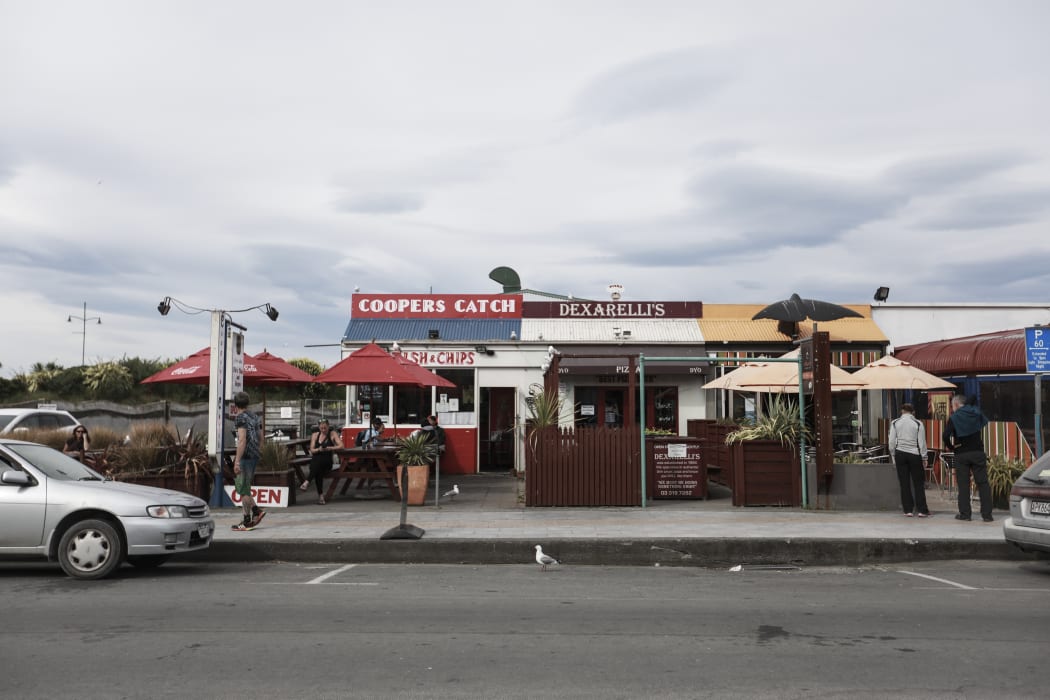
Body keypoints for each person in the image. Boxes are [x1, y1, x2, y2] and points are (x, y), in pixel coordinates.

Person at [942, 394, 993, 522]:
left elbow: (945, 435)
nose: (952, 409)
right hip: (977, 452)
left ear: (956, 405)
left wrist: (951, 447)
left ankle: (965, 514)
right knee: (983, 483)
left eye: (952, 406)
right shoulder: (975, 413)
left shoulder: (954, 417)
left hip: (961, 453)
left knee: (963, 485)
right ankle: (987, 515)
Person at [230, 391, 266, 531]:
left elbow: (242, 440)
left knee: (243, 488)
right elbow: (261, 437)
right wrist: (258, 452)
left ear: (235, 405)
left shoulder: (240, 418)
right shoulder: (255, 416)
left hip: (245, 456)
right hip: (254, 455)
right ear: (248, 402)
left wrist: (237, 461)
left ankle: (249, 519)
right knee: (245, 487)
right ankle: (254, 513)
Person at [888, 403, 929, 518]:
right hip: (915, 454)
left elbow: (891, 442)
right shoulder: (918, 423)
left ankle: (908, 510)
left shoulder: (895, 423)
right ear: (913, 412)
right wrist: (924, 457)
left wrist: (893, 454)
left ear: (902, 411)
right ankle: (922, 510)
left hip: (900, 454)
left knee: (904, 483)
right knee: (918, 483)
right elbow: (922, 442)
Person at [300, 418, 343, 505]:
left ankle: (307, 481)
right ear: (319, 427)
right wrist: (319, 449)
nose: (323, 430)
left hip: (327, 461)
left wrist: (330, 448)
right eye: (321, 428)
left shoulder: (332, 434)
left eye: (325, 428)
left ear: (328, 426)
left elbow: (341, 446)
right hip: (317, 462)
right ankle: (321, 498)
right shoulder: (315, 435)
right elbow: (312, 450)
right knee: (318, 470)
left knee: (316, 463)